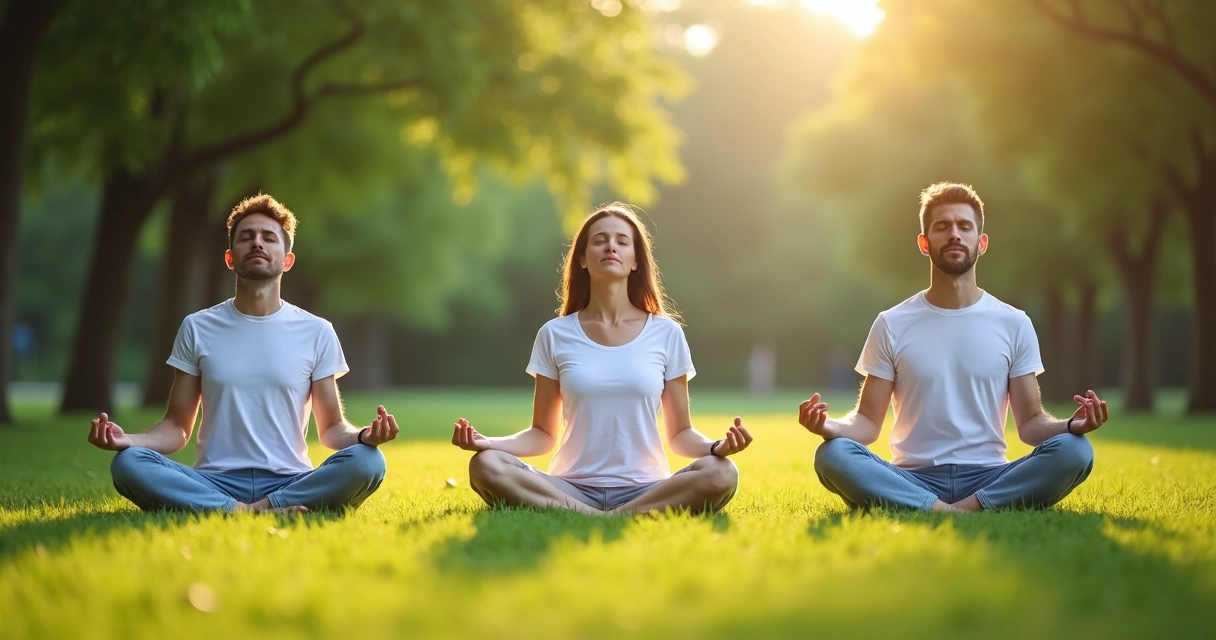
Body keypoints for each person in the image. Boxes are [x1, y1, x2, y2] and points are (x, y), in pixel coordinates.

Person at [800, 182, 1106, 513]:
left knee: (1076, 451)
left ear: (981, 241)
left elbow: (1031, 423)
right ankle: (951, 509)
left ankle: (958, 507)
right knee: (832, 454)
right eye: (942, 227)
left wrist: (1072, 426)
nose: (954, 234)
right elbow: (868, 421)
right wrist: (830, 427)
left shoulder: (1014, 323)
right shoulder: (891, 323)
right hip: (911, 476)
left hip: (990, 475)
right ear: (924, 243)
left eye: (965, 226)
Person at [86, 194, 396, 513]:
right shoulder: (197, 327)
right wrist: (129, 441)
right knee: (128, 464)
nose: (257, 243)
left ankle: (238, 509)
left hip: (290, 479)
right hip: (213, 480)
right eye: (246, 237)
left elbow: (331, 429)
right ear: (230, 258)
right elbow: (177, 426)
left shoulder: (317, 331)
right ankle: (248, 511)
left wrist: (364, 435)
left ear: (287, 260)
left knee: (368, 461)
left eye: (269, 237)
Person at [451, 203, 752, 515]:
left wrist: (716, 447)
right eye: (599, 240)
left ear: (636, 261)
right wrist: (489, 443)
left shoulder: (666, 333)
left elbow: (679, 435)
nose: (611, 246)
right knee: (485, 465)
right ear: (582, 259)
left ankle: (613, 515)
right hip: (571, 486)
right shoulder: (554, 334)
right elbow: (542, 434)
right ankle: (592, 514)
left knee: (722, 472)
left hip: (647, 487)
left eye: (622, 241)